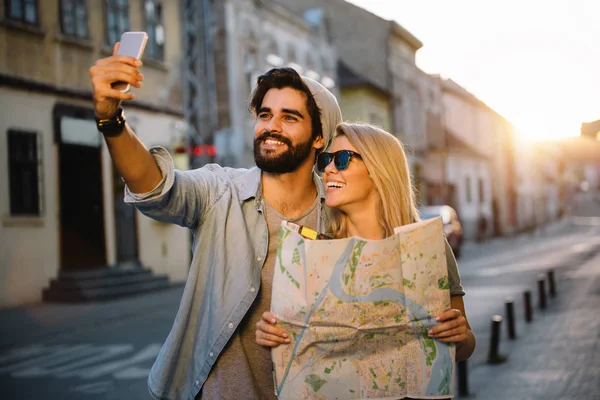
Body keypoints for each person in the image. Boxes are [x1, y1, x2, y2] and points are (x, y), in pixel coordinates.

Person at [89, 44, 342, 399]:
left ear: (319, 137)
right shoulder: (219, 190)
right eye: (265, 115)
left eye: (289, 117)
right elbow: (156, 186)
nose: (270, 127)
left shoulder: (340, 218)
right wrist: (111, 119)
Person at [256, 123, 476, 365]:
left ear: (378, 169)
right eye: (326, 159)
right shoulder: (313, 250)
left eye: (341, 159)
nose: (327, 169)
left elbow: (463, 347)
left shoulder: (425, 248)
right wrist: (273, 336)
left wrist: (459, 335)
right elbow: (298, 348)